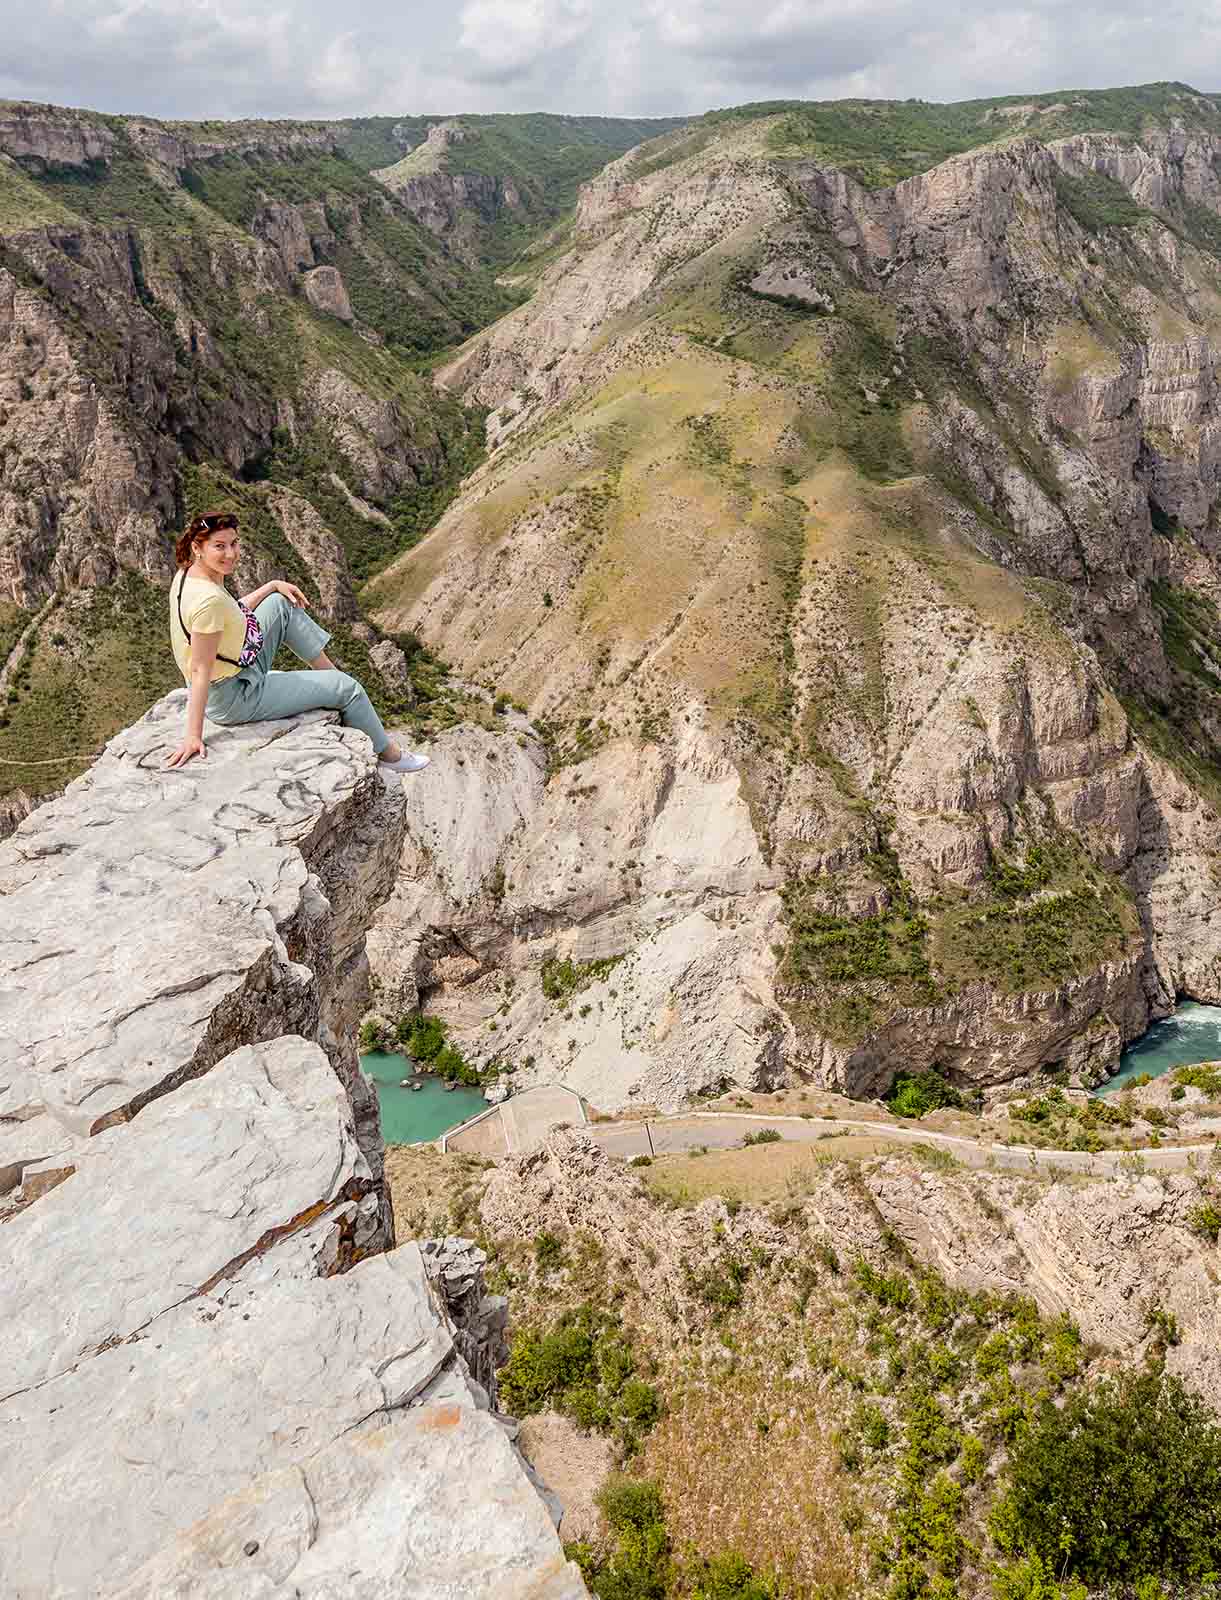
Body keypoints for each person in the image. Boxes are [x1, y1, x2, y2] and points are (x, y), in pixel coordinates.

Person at [164, 510, 430, 774]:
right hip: (233, 697)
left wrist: (272, 585)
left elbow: (232, 613)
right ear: (197, 547)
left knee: (281, 603)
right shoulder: (208, 600)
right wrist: (193, 735)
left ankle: (329, 677)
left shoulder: (189, 574)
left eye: (234, 543)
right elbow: (200, 669)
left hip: (235, 668)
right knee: (350, 688)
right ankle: (388, 754)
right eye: (219, 546)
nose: (231, 554)